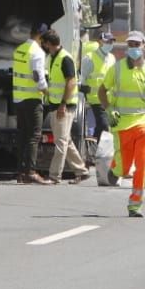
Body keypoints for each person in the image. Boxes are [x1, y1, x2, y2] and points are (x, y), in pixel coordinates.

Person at [99, 30, 145, 216]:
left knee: (143, 166)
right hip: (121, 125)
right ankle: (115, 169)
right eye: (131, 45)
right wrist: (109, 109)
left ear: (144, 46)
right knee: (124, 167)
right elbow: (102, 91)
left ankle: (135, 205)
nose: (134, 48)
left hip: (143, 125)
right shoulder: (117, 69)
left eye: (137, 45)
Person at [40, 29, 88, 183]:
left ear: (48, 43)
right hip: (56, 105)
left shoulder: (65, 58)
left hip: (64, 106)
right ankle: (81, 170)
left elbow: (71, 82)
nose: (43, 46)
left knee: (60, 142)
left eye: (44, 43)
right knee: (66, 141)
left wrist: (63, 104)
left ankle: (54, 176)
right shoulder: (53, 57)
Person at [12, 23, 51, 184]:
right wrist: (48, 92)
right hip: (32, 99)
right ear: (40, 36)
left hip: (18, 98)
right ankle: (32, 172)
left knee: (22, 135)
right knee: (34, 136)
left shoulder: (19, 49)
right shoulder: (37, 52)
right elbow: (37, 77)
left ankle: (20, 172)